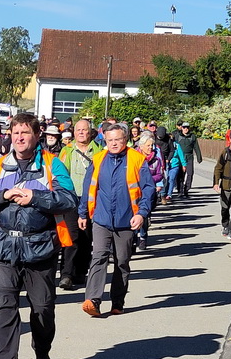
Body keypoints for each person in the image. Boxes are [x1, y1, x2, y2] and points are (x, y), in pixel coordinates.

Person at [0, 113, 77, 359]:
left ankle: (42, 351)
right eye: (15, 133)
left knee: (42, 308)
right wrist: (3, 195)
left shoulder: (52, 165)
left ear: (37, 136)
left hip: (40, 248)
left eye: (25, 132)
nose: (19, 138)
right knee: (4, 309)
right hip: (5, 247)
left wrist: (35, 197)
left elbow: (68, 198)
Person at [78, 123, 155, 318]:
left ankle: (117, 302)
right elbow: (88, 187)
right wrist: (82, 213)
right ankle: (93, 300)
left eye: (117, 140)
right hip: (101, 218)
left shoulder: (137, 159)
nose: (113, 143)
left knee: (122, 261)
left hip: (126, 220)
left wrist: (141, 213)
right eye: (110, 140)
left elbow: (148, 189)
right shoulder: (98, 159)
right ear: (105, 140)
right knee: (99, 257)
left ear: (125, 140)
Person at [57, 118, 102, 290]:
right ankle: (66, 274)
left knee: (86, 237)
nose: (81, 132)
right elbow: (60, 174)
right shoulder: (67, 151)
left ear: (90, 132)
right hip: (71, 199)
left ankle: (81, 271)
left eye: (84, 130)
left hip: (91, 200)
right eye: (78, 130)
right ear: (74, 133)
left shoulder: (99, 151)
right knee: (72, 236)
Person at [134, 132, 164, 251]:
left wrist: (149, 180)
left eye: (152, 145)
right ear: (141, 146)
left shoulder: (156, 160)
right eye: (148, 145)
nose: (150, 148)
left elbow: (160, 174)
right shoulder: (134, 159)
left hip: (148, 191)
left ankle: (143, 237)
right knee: (134, 214)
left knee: (144, 215)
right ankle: (133, 237)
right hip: (135, 191)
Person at [174, 122, 202, 198]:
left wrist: (199, 157)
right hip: (180, 158)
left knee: (190, 173)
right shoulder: (177, 136)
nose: (186, 129)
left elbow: (196, 147)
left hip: (189, 157)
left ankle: (186, 189)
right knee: (180, 175)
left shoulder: (192, 136)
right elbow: (173, 146)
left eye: (187, 127)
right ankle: (180, 190)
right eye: (184, 127)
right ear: (181, 128)